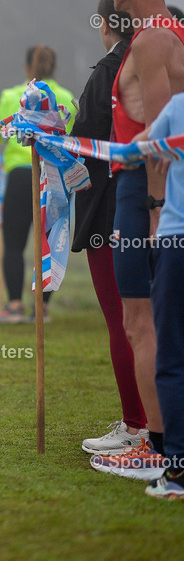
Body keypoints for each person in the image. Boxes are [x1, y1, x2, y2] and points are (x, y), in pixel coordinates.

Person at [90, 0, 184, 481]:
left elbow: (163, 134)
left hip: (140, 194)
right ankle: (163, 441)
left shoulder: (150, 40)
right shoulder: (172, 33)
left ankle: (155, 445)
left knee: (138, 322)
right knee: (154, 324)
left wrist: (153, 210)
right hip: (150, 194)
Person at [74, 0, 148, 457]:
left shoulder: (111, 68)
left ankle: (138, 424)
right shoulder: (155, 60)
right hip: (154, 207)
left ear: (106, 24)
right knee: (150, 320)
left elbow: (83, 142)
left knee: (124, 321)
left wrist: (43, 136)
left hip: (111, 210)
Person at [0, 46, 76, 324]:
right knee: (49, 242)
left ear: (27, 67)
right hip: (53, 176)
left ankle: (13, 305)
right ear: (54, 67)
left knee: (14, 244)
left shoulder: (12, 96)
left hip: (19, 175)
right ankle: (43, 308)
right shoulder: (65, 97)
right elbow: (72, 137)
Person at [140, 93, 184, 499]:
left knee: (171, 358)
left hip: (175, 241)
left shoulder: (176, 107)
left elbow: (136, 148)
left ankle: (178, 471)